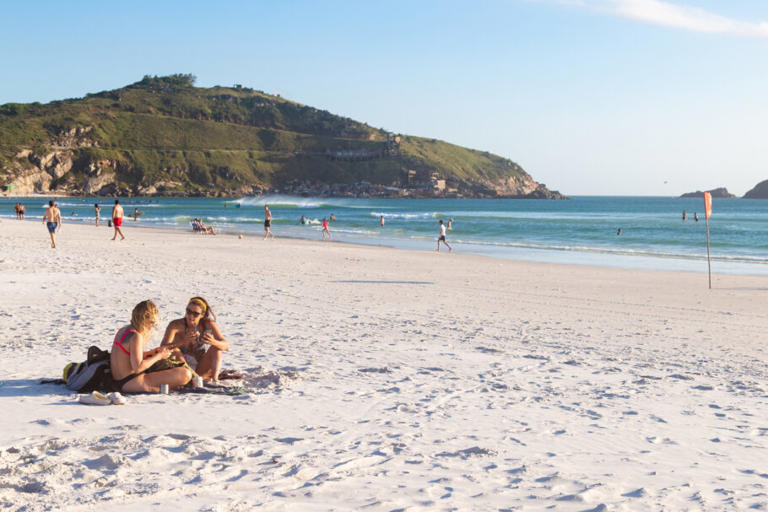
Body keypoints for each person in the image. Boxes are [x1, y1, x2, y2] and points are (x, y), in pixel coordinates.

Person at [110, 300, 192, 393]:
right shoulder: (136, 336)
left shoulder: (124, 330)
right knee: (185, 374)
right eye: (152, 322)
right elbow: (138, 368)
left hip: (119, 381)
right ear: (145, 316)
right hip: (132, 382)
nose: (152, 326)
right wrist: (159, 356)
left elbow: (128, 357)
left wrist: (152, 352)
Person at [161, 297, 229, 382]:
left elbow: (226, 345)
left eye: (195, 314)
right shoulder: (175, 325)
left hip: (200, 369)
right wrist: (182, 342)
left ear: (202, 314)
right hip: (181, 369)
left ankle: (215, 381)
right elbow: (162, 348)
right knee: (175, 350)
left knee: (216, 348)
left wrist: (213, 342)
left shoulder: (208, 324)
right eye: (188, 311)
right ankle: (191, 378)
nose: (190, 316)